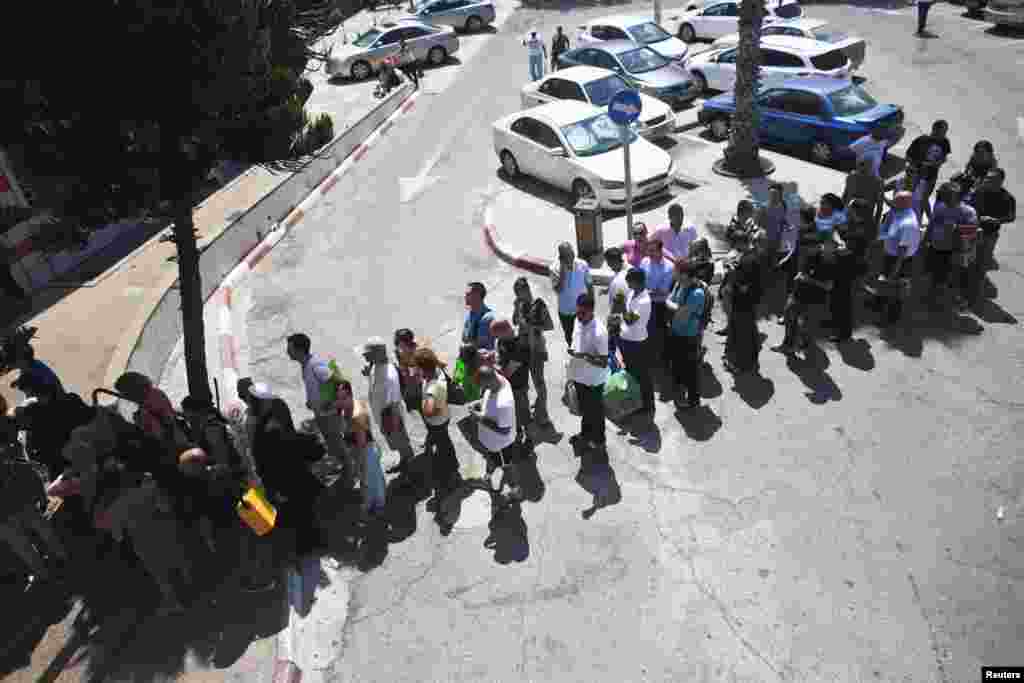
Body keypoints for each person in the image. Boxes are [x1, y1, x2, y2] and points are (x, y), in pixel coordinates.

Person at [247, 382, 325, 557]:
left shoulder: (265, 422)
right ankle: (309, 545)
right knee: (302, 512)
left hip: (282, 478)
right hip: (288, 477)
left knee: (300, 512)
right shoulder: (270, 425)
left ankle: (307, 544)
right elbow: (288, 446)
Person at [0, 415, 68, 586]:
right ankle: (62, 557)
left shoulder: (9, 461)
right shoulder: (10, 461)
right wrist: (42, 498)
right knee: (44, 531)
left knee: (21, 545)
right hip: (22, 502)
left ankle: (42, 573)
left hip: (4, 514)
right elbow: (31, 475)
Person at [286, 333, 351, 481]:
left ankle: (350, 472)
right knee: (332, 443)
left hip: (328, 414)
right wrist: (312, 401)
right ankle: (346, 470)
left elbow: (335, 381)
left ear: (299, 349)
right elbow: (318, 386)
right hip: (322, 413)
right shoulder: (306, 365)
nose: (287, 352)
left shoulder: (314, 364)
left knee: (337, 443)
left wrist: (331, 402)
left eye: (289, 348)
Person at [410, 348, 458, 518]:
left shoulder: (432, 387)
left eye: (416, 366)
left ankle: (451, 471)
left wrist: (424, 405)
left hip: (437, 422)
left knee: (444, 445)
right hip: (443, 418)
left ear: (423, 368)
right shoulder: (437, 371)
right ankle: (451, 466)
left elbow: (429, 411)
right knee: (444, 441)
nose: (414, 369)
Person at [362, 338, 416, 476]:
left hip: (391, 417)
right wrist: (369, 374)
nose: (365, 356)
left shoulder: (390, 376)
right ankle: (405, 460)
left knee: (401, 442)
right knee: (397, 443)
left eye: (368, 353)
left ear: (378, 354)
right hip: (383, 415)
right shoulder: (375, 365)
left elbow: (393, 403)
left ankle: (410, 468)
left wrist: (392, 426)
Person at [334, 380, 386, 520]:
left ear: (350, 395)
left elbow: (361, 444)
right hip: (366, 449)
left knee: (368, 481)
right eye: (338, 398)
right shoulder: (352, 405)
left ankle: (374, 507)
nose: (341, 402)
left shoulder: (357, 416)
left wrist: (358, 465)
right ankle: (375, 504)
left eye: (344, 397)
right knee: (374, 479)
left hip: (366, 452)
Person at [776, 241, 836, 353]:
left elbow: (828, 286)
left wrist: (809, 280)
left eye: (811, 247)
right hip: (797, 294)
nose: (808, 249)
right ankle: (789, 345)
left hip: (813, 299)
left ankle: (802, 342)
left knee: (805, 325)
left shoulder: (829, 263)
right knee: (789, 315)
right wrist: (800, 276)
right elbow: (803, 272)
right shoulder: (809, 256)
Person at [567, 293, 609, 452]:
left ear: (592, 311)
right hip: (579, 377)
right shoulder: (578, 320)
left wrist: (584, 356)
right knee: (585, 410)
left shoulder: (600, 332)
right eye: (577, 312)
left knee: (595, 413)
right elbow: (575, 340)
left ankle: (598, 440)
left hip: (593, 381)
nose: (578, 316)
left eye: (582, 313)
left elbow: (604, 362)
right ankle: (585, 434)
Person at [925, 182, 977, 309]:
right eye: (943, 196)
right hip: (937, 248)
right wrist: (925, 241)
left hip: (955, 251)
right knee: (936, 275)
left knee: (953, 278)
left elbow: (972, 232)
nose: (944, 199)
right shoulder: (940, 207)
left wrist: (957, 228)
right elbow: (931, 225)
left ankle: (953, 301)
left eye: (947, 196)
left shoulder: (967, 212)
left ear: (955, 196)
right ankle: (934, 299)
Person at [511, 277, 554, 428]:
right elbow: (515, 322)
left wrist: (532, 326)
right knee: (525, 382)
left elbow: (549, 326)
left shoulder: (539, 304)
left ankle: (543, 415)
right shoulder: (519, 304)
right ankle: (538, 406)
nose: (517, 296)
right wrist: (517, 309)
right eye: (516, 294)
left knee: (539, 383)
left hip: (536, 349)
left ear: (526, 290)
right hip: (523, 348)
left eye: (518, 293)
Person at [665, 260, 706, 410]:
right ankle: (680, 393)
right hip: (675, 333)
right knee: (677, 366)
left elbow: (681, 316)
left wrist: (671, 305)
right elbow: (671, 301)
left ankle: (693, 401)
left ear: (685, 274)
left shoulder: (697, 293)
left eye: (676, 271)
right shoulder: (679, 285)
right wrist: (676, 307)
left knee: (690, 370)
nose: (673, 273)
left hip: (688, 337)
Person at [876, 191, 922, 324]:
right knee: (886, 284)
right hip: (892, 257)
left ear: (903, 204)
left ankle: (891, 318)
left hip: (899, 261)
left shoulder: (908, 224)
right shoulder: (903, 210)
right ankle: (880, 306)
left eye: (895, 202)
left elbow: (902, 251)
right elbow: (893, 205)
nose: (892, 204)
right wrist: (882, 196)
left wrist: (895, 270)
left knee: (896, 291)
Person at [492, 318, 533, 451]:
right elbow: (499, 355)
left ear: (504, 332)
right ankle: (518, 433)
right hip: (508, 387)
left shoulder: (520, 346)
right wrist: (492, 357)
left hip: (518, 387)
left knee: (523, 414)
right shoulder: (502, 340)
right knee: (513, 414)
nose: (496, 339)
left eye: (497, 335)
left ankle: (529, 440)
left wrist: (490, 366)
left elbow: (507, 372)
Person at [618, 268, 654, 415]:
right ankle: (637, 402)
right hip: (628, 340)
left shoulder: (644, 301)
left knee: (641, 375)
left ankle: (648, 405)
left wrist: (621, 308)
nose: (627, 283)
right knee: (632, 373)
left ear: (636, 282)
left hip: (637, 343)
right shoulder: (633, 293)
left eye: (629, 280)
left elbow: (630, 321)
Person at [467, 367, 516, 476]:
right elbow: (490, 397)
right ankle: (489, 474)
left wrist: (479, 418)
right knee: (491, 459)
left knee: (506, 467)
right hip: (490, 442)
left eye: (484, 386)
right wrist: (479, 402)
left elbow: (504, 430)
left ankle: (514, 488)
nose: (483, 389)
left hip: (500, 446)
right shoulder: (499, 379)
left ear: (490, 381)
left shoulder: (504, 403)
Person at [113, 371, 179, 446]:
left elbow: (155, 435)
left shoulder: (146, 409)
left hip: (164, 445)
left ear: (132, 390)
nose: (125, 397)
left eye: (124, 393)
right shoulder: (157, 393)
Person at [724, 250, 763, 374]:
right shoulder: (753, 260)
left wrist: (733, 273)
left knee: (741, 335)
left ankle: (738, 365)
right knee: (749, 332)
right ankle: (749, 362)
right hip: (749, 305)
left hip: (742, 305)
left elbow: (742, 287)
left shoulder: (746, 266)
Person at [905, 120, 951, 223]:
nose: (944, 134)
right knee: (910, 197)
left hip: (931, 176)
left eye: (945, 131)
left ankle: (920, 220)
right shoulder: (921, 140)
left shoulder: (945, 142)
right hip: (916, 174)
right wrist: (914, 167)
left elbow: (944, 158)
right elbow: (908, 156)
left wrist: (936, 164)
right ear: (934, 129)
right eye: (942, 131)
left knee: (923, 199)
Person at [972, 167, 1015, 273]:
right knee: (969, 258)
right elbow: (968, 206)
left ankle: (979, 277)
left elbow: (1011, 217)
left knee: (984, 260)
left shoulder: (1007, 198)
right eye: (987, 178)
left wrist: (997, 220)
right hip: (973, 231)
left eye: (991, 179)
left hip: (990, 234)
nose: (987, 180)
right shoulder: (979, 191)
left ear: (1000, 181)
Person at [550, 242, 593, 346]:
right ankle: (572, 348)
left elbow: (589, 285)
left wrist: (592, 305)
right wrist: (563, 271)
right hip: (566, 311)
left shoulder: (582, 264)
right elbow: (558, 290)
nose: (571, 256)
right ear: (561, 257)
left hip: (582, 308)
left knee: (585, 332)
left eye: (572, 253)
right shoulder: (554, 268)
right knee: (569, 335)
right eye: (567, 255)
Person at [641, 238, 674, 355]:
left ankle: (662, 355)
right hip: (644, 302)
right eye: (648, 250)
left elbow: (662, 291)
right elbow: (640, 280)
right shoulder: (645, 261)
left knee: (659, 330)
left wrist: (643, 291)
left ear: (660, 250)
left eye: (652, 251)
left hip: (659, 305)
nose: (649, 253)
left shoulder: (669, 267)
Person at [843, 157, 886, 231]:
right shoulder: (851, 177)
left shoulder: (878, 182)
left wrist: (875, 226)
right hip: (850, 219)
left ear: (872, 166)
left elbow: (879, 207)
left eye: (866, 165)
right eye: (861, 164)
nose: (863, 168)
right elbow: (845, 197)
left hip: (865, 221)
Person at [604, 246, 628, 372]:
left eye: (608, 263)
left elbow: (616, 308)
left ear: (613, 261)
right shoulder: (629, 269)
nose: (609, 266)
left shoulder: (617, 282)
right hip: (630, 319)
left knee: (615, 348)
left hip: (619, 323)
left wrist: (609, 324)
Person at [462, 281, 497, 352]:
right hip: (467, 360)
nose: (465, 297)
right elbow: (464, 342)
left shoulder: (488, 318)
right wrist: (459, 363)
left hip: (482, 360)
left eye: (468, 294)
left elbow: (485, 346)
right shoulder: (469, 316)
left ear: (477, 295)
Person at [393, 328, 421, 414]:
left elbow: (414, 374)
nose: (397, 345)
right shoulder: (397, 353)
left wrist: (408, 364)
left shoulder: (416, 353)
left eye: (399, 342)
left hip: (416, 390)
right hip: (406, 389)